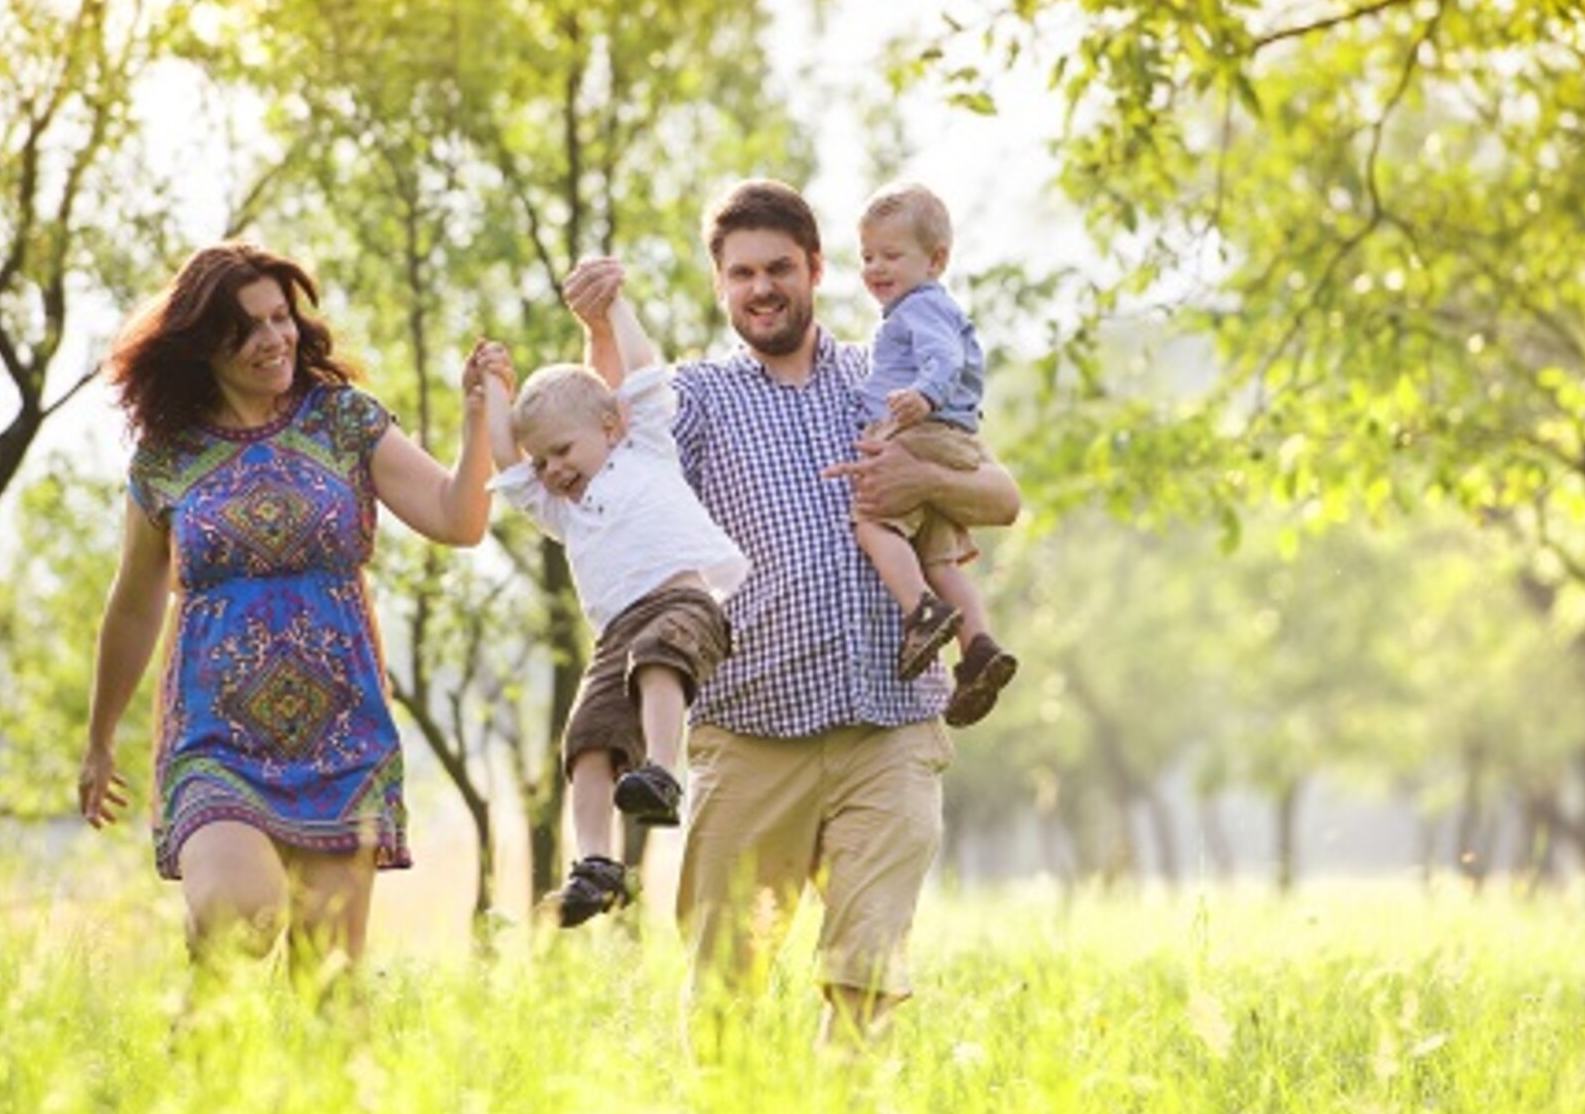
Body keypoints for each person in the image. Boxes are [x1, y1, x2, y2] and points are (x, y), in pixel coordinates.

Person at [563, 179, 1021, 1047]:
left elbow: (1001, 493)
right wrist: (598, 329)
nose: (762, 287)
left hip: (888, 730)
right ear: (721, 286)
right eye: (742, 274)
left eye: (779, 267)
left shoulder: (885, 375)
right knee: (725, 991)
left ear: (815, 269)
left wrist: (923, 481)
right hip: (750, 733)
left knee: (867, 978)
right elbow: (607, 433)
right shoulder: (698, 399)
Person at [77, 241, 511, 992]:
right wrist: (99, 739)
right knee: (241, 918)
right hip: (217, 739)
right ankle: (202, 1032)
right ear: (204, 344)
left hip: (341, 736)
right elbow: (134, 602)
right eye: (245, 328)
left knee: (328, 989)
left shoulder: (342, 421)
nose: (272, 339)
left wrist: (479, 422)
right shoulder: (166, 458)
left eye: (281, 317)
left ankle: (251, 1088)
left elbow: (457, 518)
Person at [480, 266, 748, 928]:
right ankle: (597, 864)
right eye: (543, 461)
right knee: (587, 737)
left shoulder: (647, 447)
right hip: (615, 636)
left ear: (610, 424)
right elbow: (506, 466)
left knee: (659, 655)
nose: (553, 470)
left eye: (563, 450)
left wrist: (616, 306)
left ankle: (660, 769)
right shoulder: (560, 508)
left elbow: (646, 371)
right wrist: (493, 389)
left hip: (683, 604)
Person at [851, 181, 1018, 726]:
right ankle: (978, 650)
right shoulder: (926, 306)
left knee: (873, 523)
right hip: (954, 440)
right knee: (939, 559)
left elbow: (943, 361)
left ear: (937, 259)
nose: (876, 267)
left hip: (922, 432)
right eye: (867, 256)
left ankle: (923, 613)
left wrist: (922, 397)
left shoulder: (918, 309)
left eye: (891, 256)